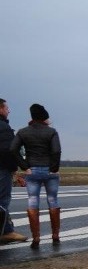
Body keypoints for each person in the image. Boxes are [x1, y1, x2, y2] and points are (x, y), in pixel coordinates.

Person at [10, 104, 62, 248]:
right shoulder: (51, 132)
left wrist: (25, 167)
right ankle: (55, 235)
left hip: (32, 171)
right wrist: (54, 168)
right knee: (53, 200)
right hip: (49, 171)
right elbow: (56, 151)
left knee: (33, 200)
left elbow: (13, 149)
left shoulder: (23, 132)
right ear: (44, 117)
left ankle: (36, 238)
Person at [0, 98, 27, 243]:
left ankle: (7, 230)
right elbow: (7, 150)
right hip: (2, 169)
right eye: (6, 108)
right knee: (2, 201)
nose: (8, 110)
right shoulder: (3, 127)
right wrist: (14, 168)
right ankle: (5, 232)